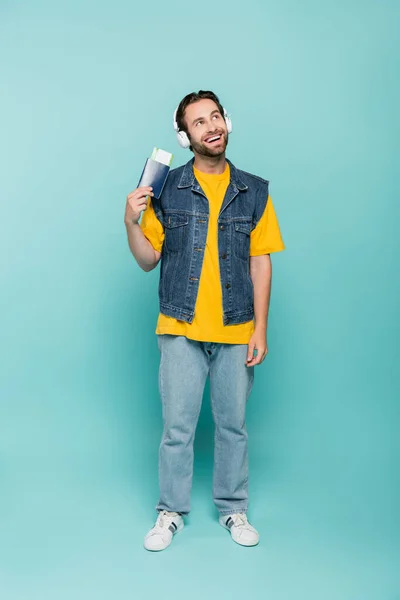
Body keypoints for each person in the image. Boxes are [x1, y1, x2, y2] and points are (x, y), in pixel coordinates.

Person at [124, 90, 285, 551]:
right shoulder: (166, 188)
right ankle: (170, 512)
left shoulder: (253, 190)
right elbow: (147, 260)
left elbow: (261, 261)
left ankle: (234, 508)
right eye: (199, 122)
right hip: (180, 326)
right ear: (184, 135)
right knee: (178, 427)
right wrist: (131, 222)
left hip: (237, 328)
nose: (211, 126)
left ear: (227, 122)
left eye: (216, 117)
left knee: (233, 425)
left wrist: (261, 329)